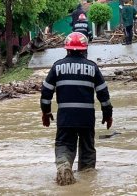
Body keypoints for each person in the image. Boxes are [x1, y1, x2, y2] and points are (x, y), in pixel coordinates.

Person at [40, 32, 113, 186]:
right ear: (84, 49)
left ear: (66, 49)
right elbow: (103, 94)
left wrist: (46, 112)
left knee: (63, 145)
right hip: (86, 119)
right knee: (87, 151)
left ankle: (64, 165)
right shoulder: (92, 67)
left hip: (65, 118)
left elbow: (46, 92)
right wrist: (108, 114)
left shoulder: (57, 66)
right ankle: (87, 182)